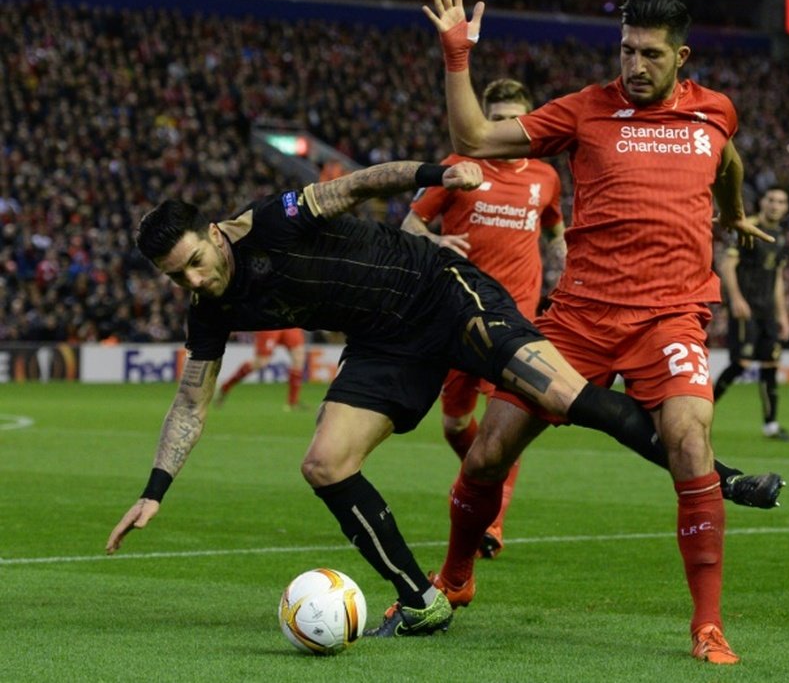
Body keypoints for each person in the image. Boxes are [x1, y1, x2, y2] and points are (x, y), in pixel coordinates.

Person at [104, 159, 709, 639]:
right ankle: (423, 601)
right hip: (384, 343)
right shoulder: (208, 308)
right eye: (175, 276)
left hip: (434, 290)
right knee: (324, 463)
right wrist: (154, 490)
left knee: (567, 396)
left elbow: (358, 184)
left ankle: (717, 476)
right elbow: (190, 400)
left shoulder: (272, 221)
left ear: (212, 234)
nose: (192, 280)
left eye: (194, 263)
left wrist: (435, 173)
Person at [424, 0, 782, 664]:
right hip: (579, 318)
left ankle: (706, 625)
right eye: (625, 51)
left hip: (670, 316)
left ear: (681, 58)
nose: (634, 67)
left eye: (649, 54)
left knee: (688, 438)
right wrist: (457, 55)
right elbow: (470, 134)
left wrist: (733, 212)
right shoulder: (585, 111)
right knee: (487, 452)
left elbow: (729, 159)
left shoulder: (715, 114)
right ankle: (455, 578)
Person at [402, 77, 566, 559]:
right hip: (456, 316)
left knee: (503, 429)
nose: (501, 127)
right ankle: (479, 474)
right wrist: (434, 243)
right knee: (455, 427)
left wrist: (567, 262)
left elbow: (556, 229)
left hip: (515, 324)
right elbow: (410, 227)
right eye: (493, 119)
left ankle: (492, 520)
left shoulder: (545, 177)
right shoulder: (458, 168)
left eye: (511, 119)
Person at [713, 187, 789, 441]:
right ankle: (698, 414)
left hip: (767, 312)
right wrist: (735, 299)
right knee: (742, 364)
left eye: (781, 201)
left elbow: (777, 278)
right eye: (771, 200)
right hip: (746, 308)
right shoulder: (746, 227)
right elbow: (727, 265)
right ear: (762, 202)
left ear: (786, 207)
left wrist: (782, 315)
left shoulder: (780, 237)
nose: (775, 205)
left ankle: (771, 425)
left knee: (771, 364)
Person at [214, 328, 308, 411]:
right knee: (261, 361)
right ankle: (226, 386)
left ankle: (293, 402)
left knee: (298, 357)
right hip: (271, 321)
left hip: (290, 321)